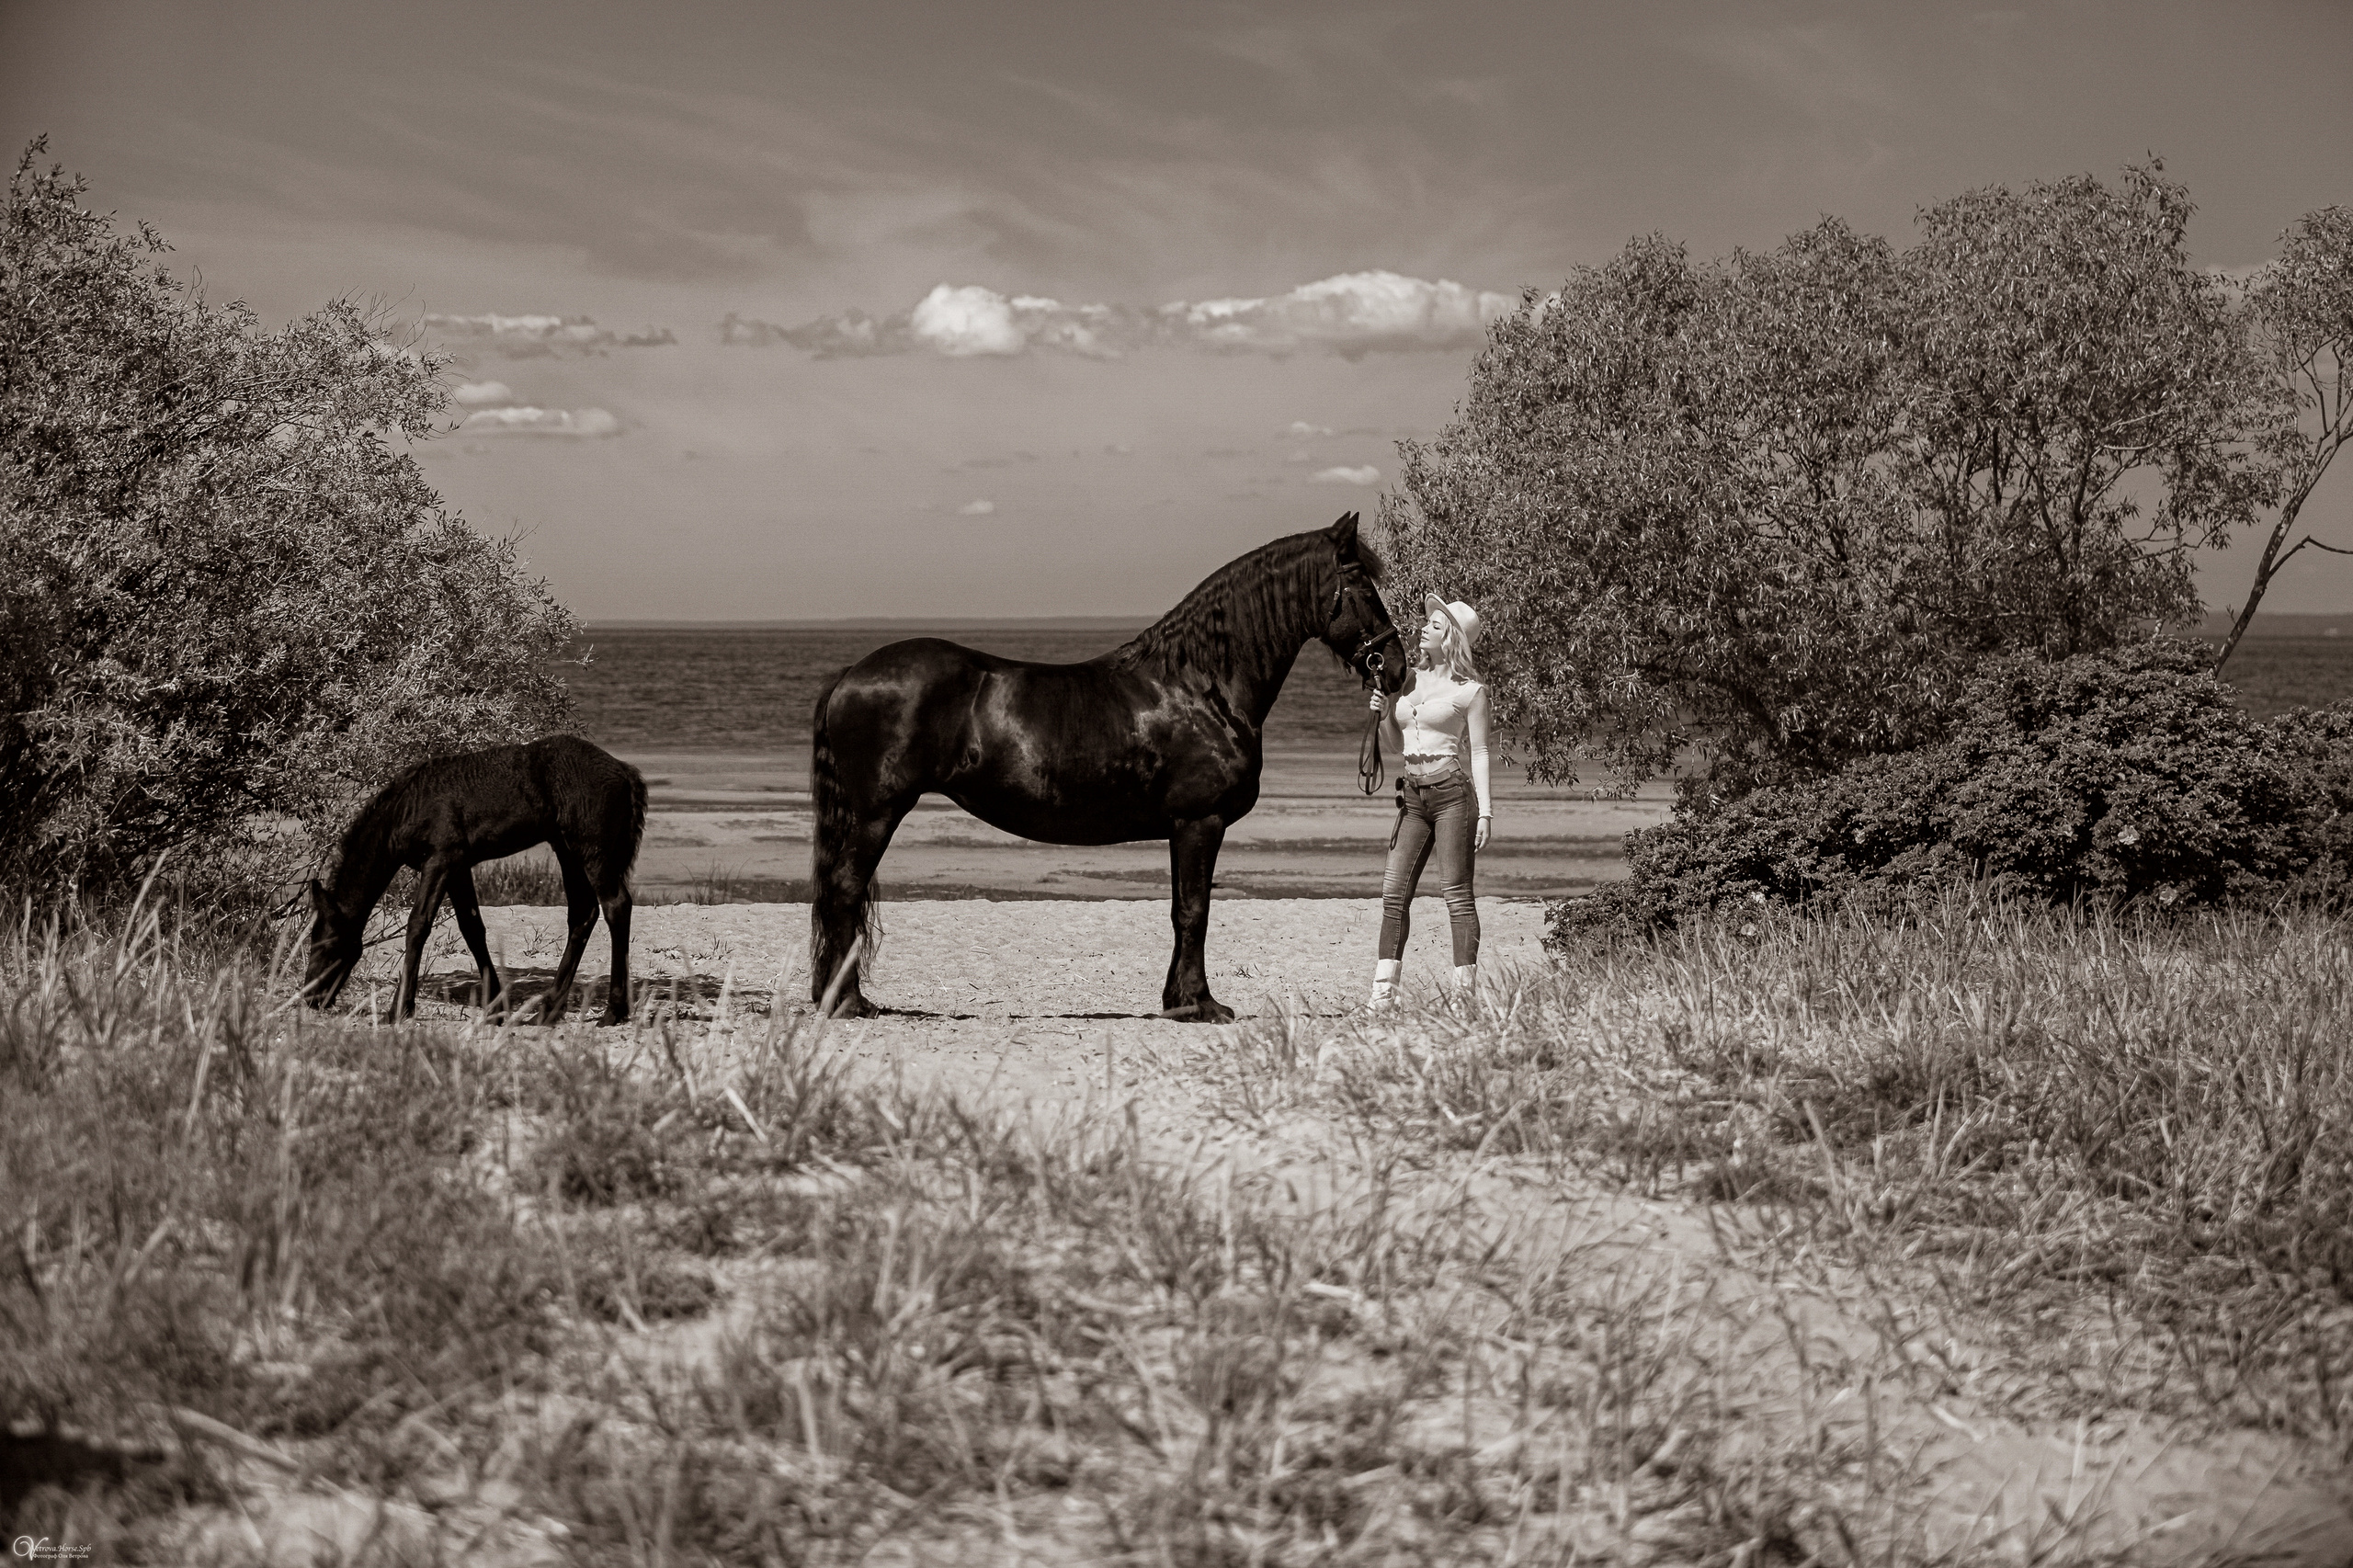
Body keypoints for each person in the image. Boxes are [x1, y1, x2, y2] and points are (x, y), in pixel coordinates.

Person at [1365, 595, 1491, 1010]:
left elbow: (1481, 754)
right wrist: (1384, 714)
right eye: (1427, 623)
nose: (1423, 628)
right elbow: (1398, 744)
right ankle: (1384, 996)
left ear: (1451, 637)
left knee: (1456, 895)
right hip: (1413, 798)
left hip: (1454, 794)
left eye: (1435, 625)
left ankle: (1463, 998)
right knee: (1392, 893)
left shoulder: (1470, 692)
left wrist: (1486, 812)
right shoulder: (1408, 683)